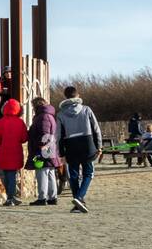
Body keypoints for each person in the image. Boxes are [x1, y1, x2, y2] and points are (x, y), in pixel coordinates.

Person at [56, 85, 102, 213]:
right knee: (88, 173)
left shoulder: (60, 114)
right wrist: (99, 146)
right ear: (78, 95)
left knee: (74, 175)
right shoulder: (86, 110)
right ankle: (79, 197)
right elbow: (96, 129)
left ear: (65, 97)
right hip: (87, 144)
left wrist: (61, 152)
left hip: (70, 145)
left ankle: (78, 203)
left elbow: (58, 136)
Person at [0, 98, 28, 206]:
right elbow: (24, 138)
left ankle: (9, 197)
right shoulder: (20, 122)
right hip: (16, 152)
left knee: (7, 176)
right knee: (12, 176)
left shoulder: (0, 122)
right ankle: (11, 198)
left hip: (4, 152)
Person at [26, 97, 60, 205]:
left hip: (43, 148)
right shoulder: (49, 115)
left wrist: (42, 146)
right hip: (50, 148)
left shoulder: (42, 116)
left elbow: (45, 133)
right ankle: (52, 197)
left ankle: (42, 198)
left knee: (42, 172)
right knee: (49, 172)